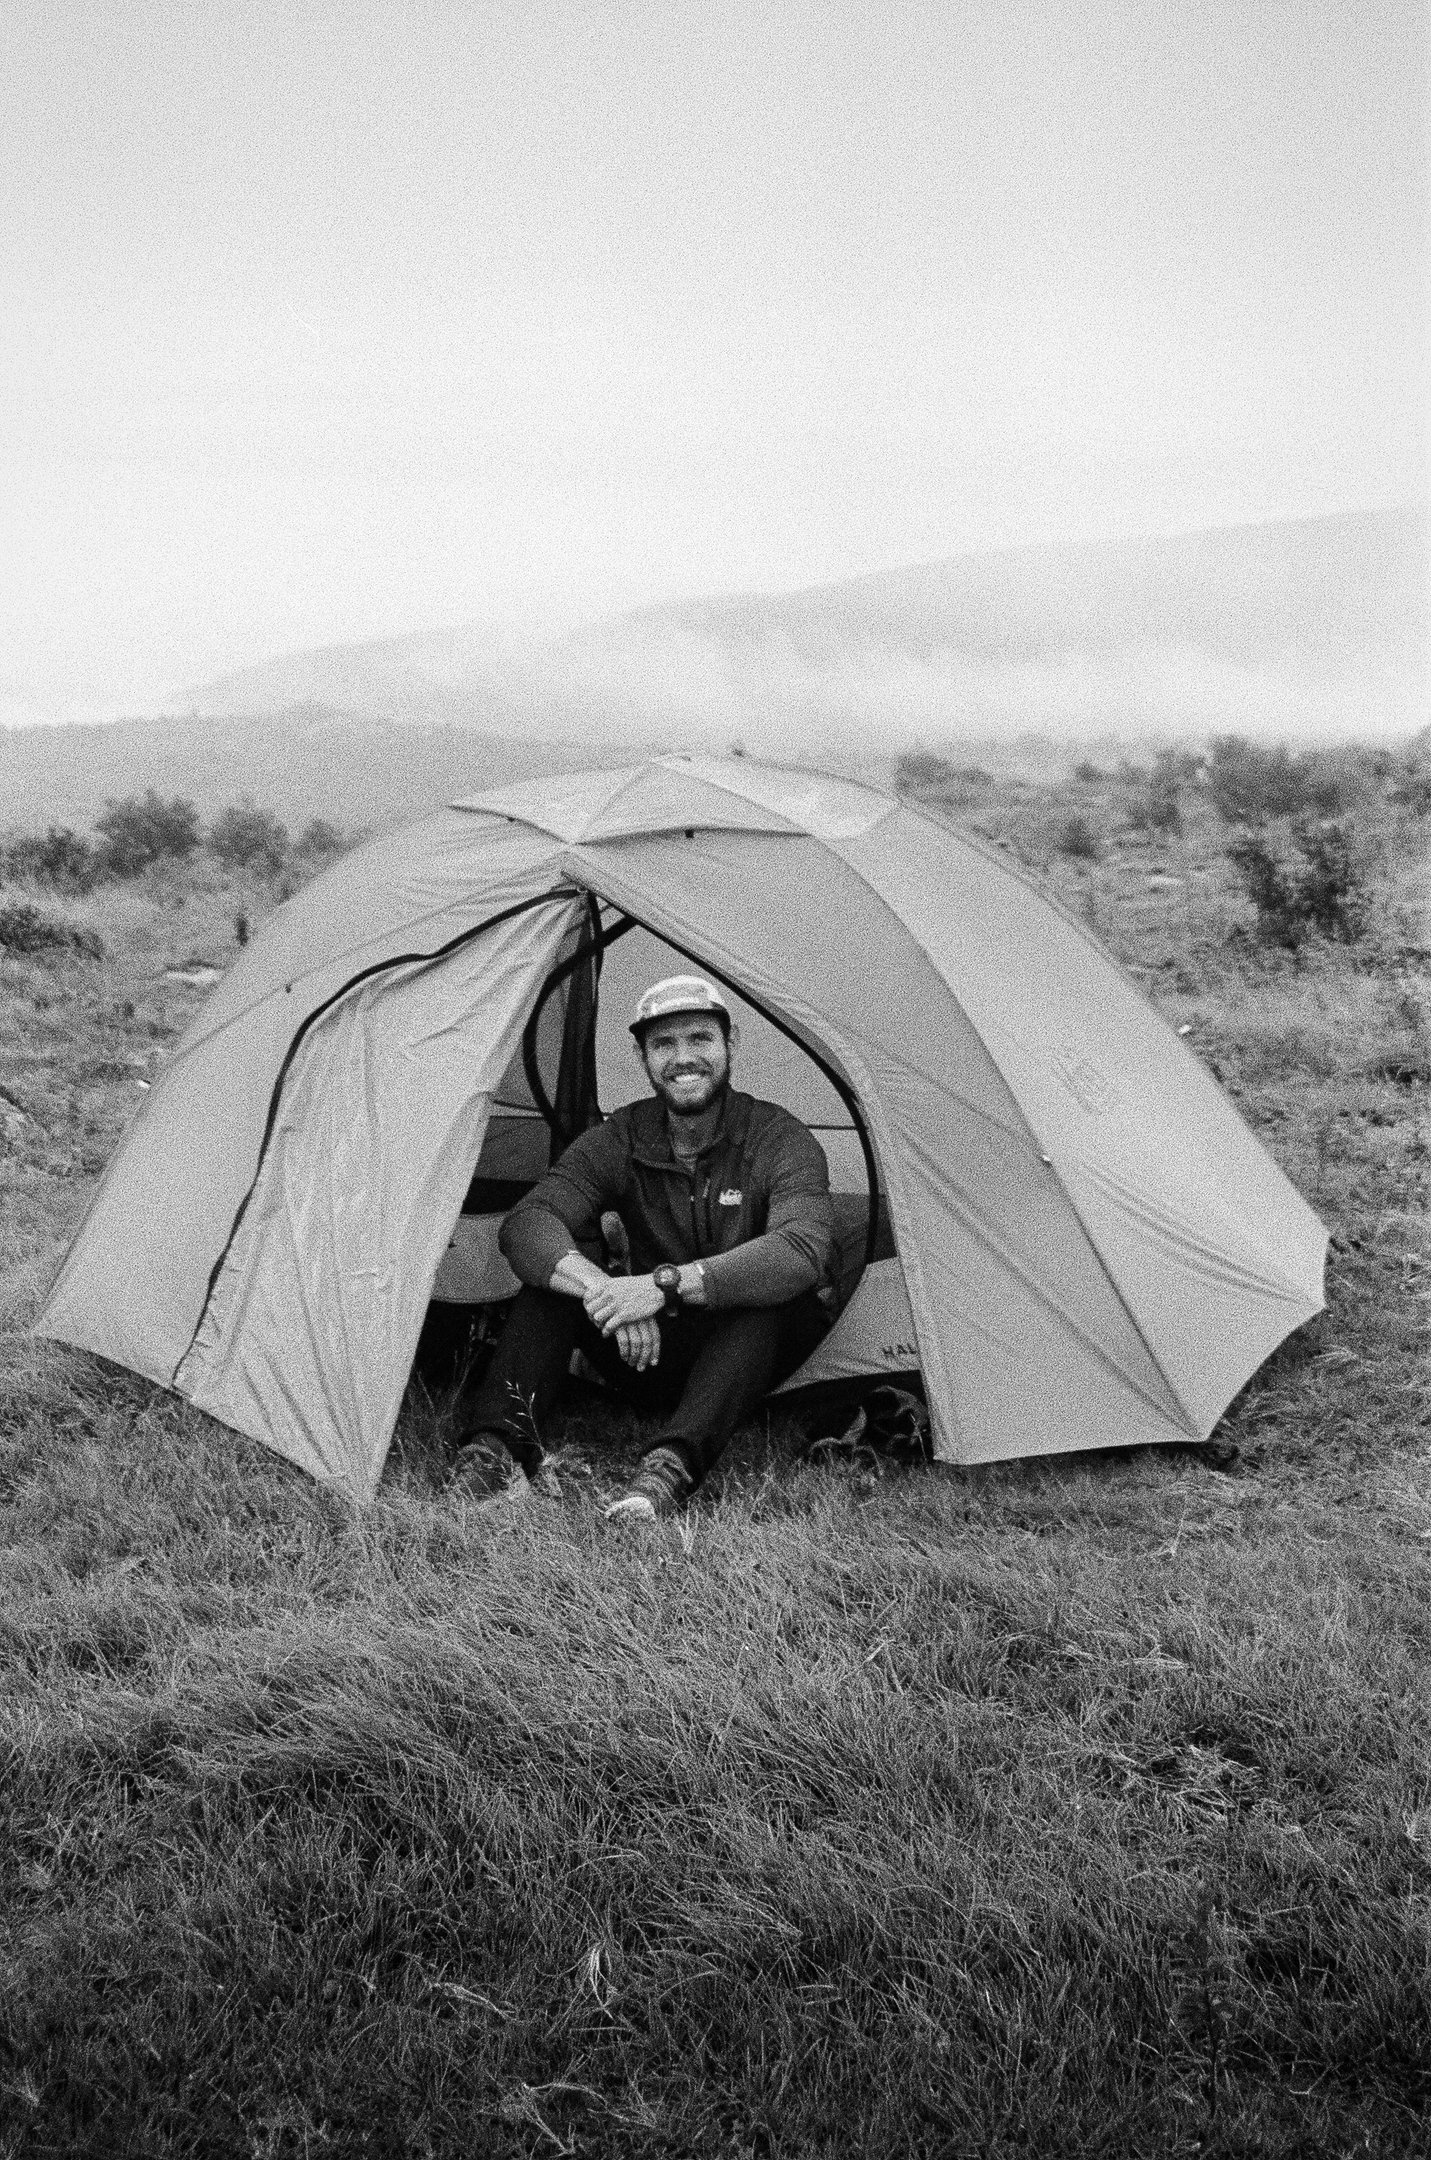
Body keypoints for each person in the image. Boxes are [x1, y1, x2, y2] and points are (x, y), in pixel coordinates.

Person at [449, 975, 837, 1520]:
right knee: (550, 1289)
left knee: (767, 1302)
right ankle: (489, 1454)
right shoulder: (623, 1135)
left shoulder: (779, 1137)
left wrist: (662, 1286)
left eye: (699, 1039)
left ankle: (666, 1471)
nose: (683, 1059)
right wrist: (605, 1290)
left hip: (743, 1351)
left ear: (730, 1045)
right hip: (649, 1348)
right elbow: (528, 1222)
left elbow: (802, 1249)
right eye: (663, 1045)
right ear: (642, 1056)